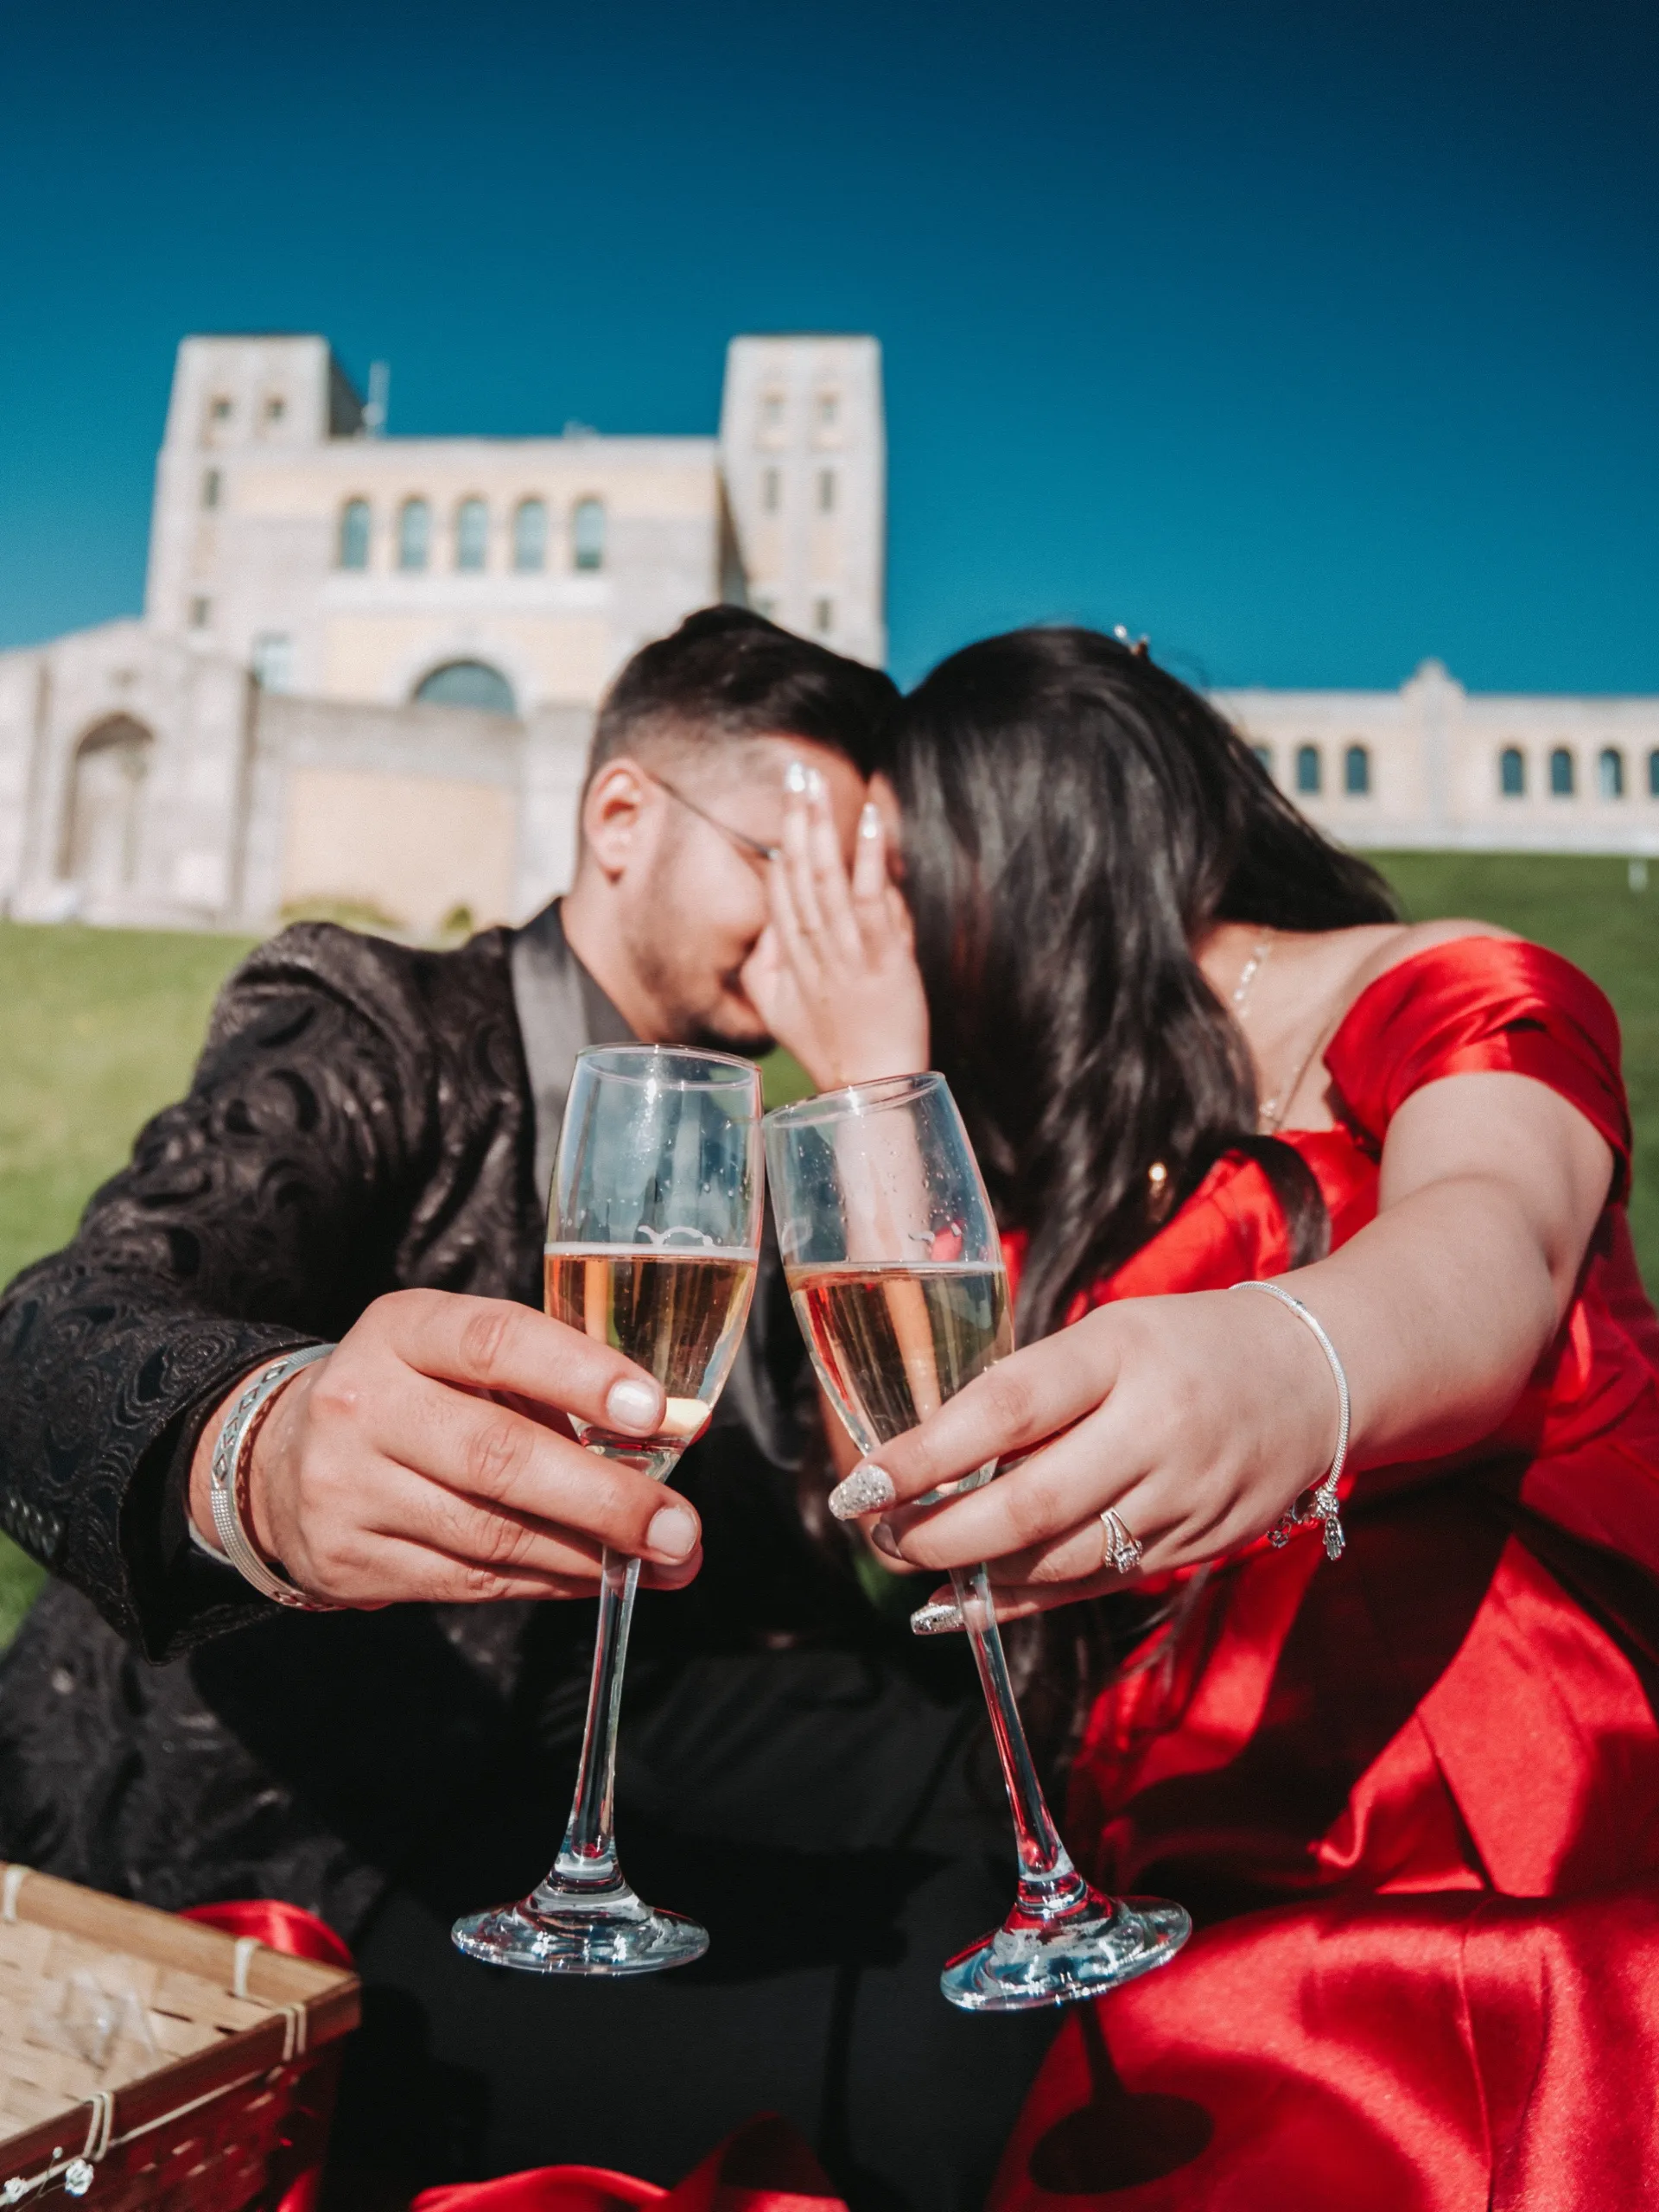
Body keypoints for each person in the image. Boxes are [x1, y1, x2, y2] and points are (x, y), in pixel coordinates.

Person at [0, 610, 1062, 2212]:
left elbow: (889, 1495)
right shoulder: (376, 1026)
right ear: (623, 823)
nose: (843, 927)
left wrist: (877, 1095)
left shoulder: (746, 1135)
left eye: (874, 885)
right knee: (937, 2064)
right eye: (801, 861)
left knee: (1018, 1824)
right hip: (318, 1826)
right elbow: (55, 1329)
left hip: (628, 1730)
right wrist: (262, 1448)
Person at [747, 624, 1659, 2208]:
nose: (878, 945)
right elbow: (900, 1464)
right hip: (1179, 1853)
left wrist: (1283, 1362)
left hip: (1509, 1819)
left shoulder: (1441, 989)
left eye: (897, 887)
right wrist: (880, 1083)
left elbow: (1492, 1247)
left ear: (1018, 846)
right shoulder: (1065, 1141)